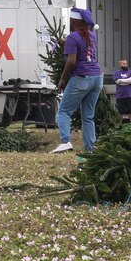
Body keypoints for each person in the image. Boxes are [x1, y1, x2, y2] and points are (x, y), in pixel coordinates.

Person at [54, 8, 103, 154]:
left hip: (81, 78)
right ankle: (90, 149)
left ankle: (65, 141)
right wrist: (66, 42)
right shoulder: (92, 36)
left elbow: (71, 62)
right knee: (88, 116)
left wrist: (62, 80)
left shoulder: (73, 37)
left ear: (74, 21)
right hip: (97, 78)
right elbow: (84, 46)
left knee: (63, 112)